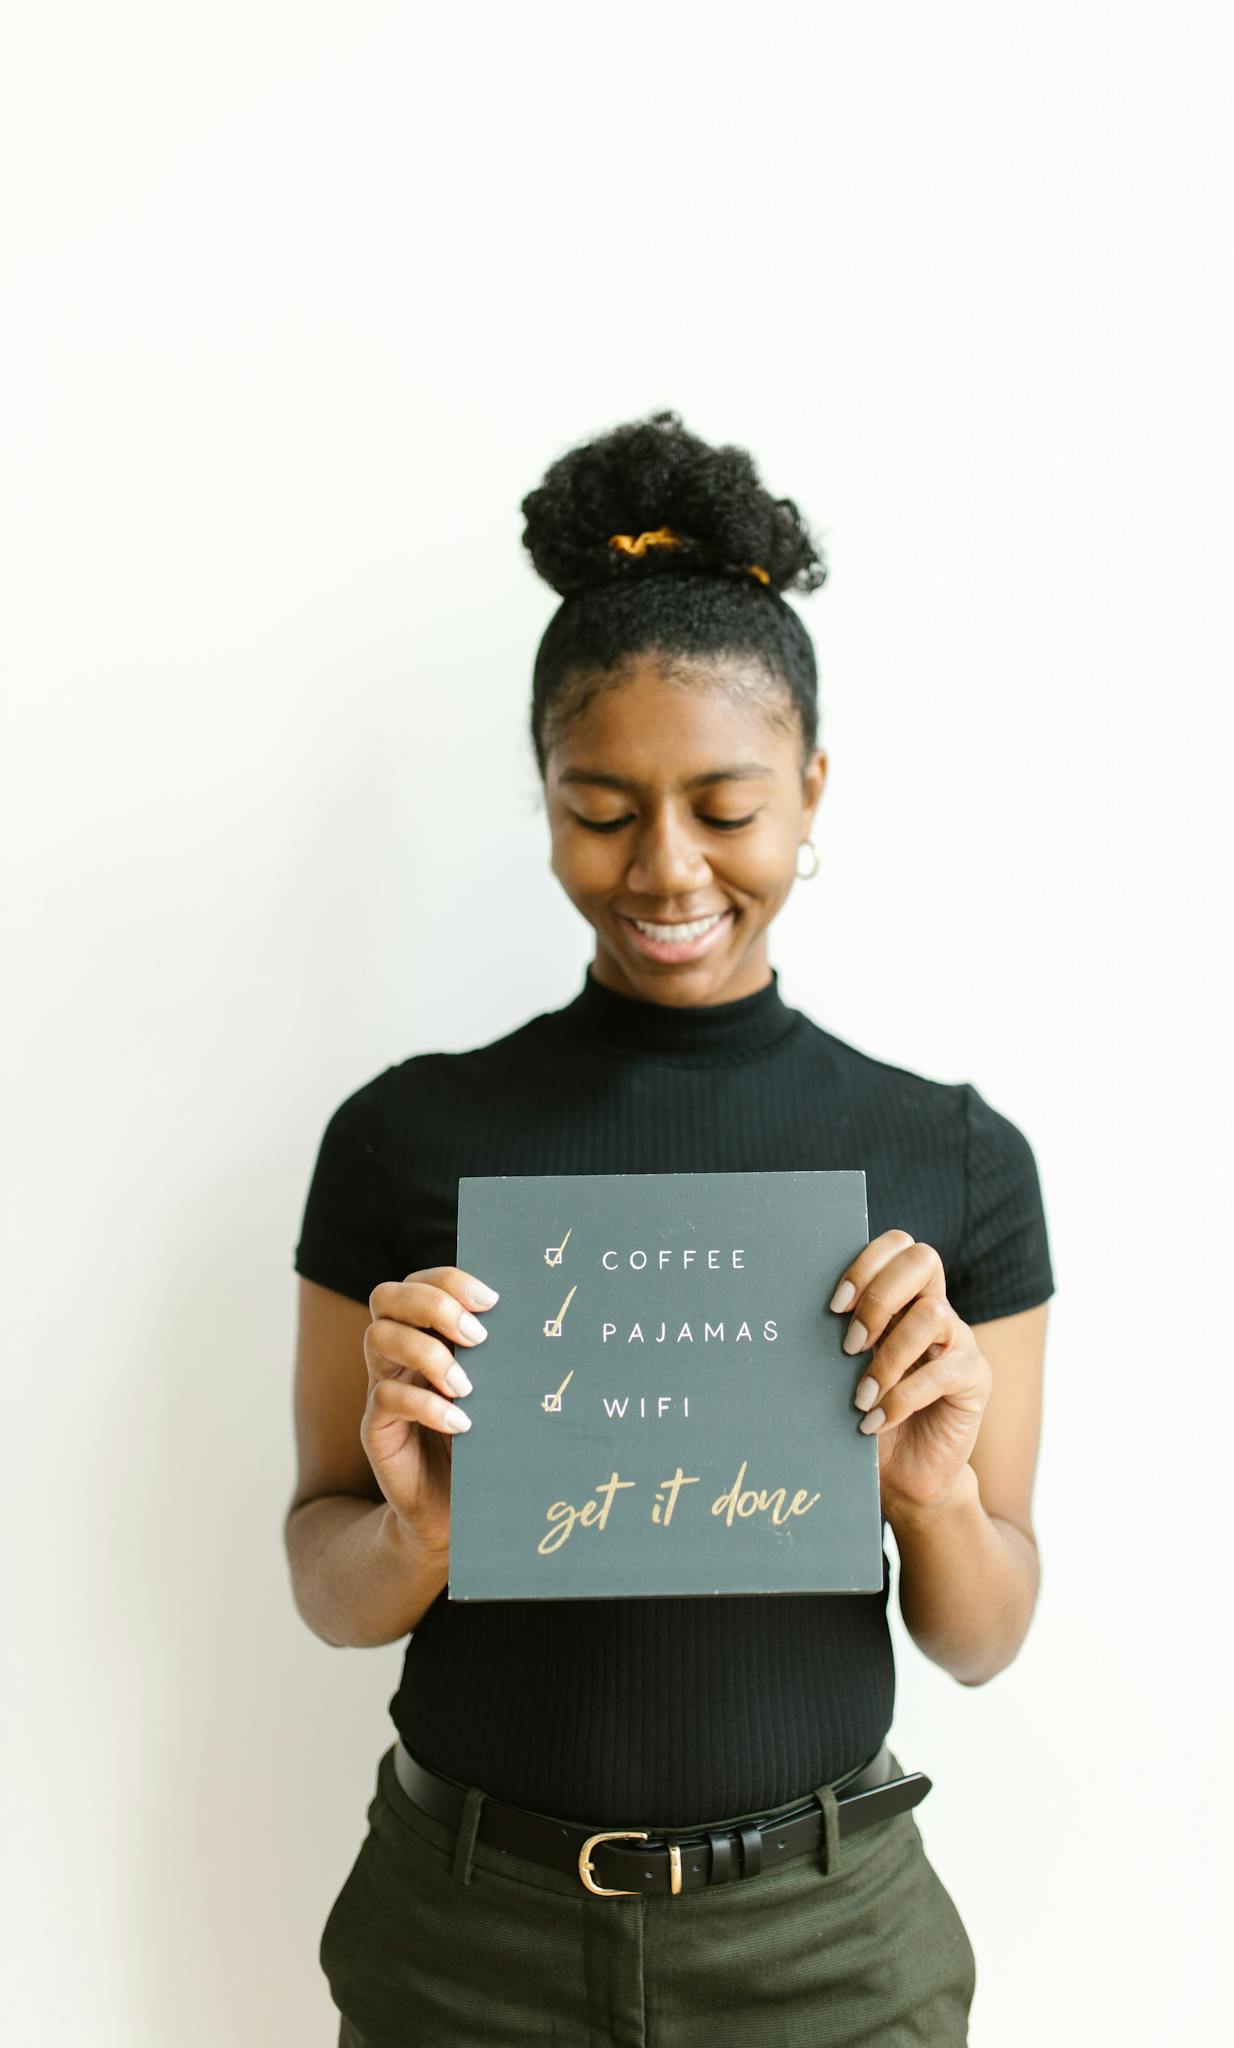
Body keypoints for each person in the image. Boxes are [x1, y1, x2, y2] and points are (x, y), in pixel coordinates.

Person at [286, 408, 1055, 2046]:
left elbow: (982, 1635)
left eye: (724, 804)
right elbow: (324, 1574)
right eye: (600, 806)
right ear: (545, 797)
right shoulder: (406, 1139)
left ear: (810, 789)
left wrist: (927, 1497)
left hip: (824, 1946)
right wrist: (415, 1528)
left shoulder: (952, 1156)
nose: (664, 868)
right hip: (462, 1938)